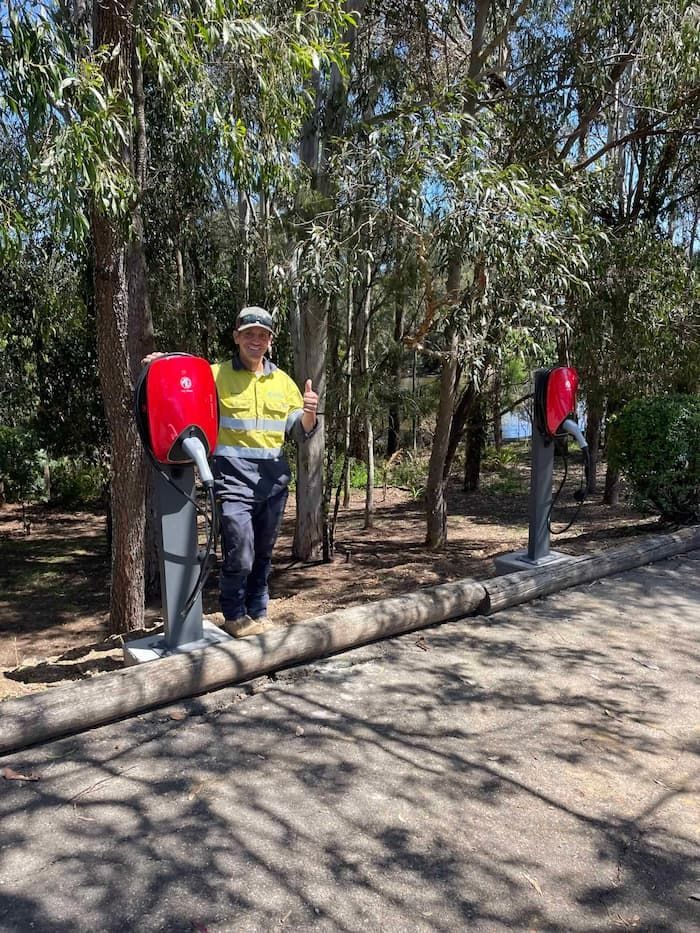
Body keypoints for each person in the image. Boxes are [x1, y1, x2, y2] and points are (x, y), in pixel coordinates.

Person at [143, 306, 318, 638]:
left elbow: (298, 429)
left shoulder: (283, 382)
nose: (256, 340)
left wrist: (309, 413)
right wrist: (162, 363)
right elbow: (185, 379)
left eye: (262, 335)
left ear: (270, 341)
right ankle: (235, 614)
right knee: (240, 545)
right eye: (249, 334)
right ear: (237, 337)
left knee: (263, 552)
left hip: (274, 479)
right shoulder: (215, 374)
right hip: (232, 475)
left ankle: (258, 611)